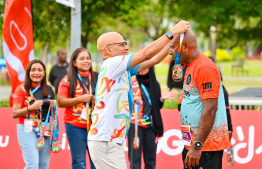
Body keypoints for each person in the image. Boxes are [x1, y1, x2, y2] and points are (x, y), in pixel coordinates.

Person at [87, 20, 190, 169]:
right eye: (121, 44)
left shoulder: (121, 68)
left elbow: (153, 59)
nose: (126, 47)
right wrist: (172, 31)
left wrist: (173, 41)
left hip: (111, 141)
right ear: (108, 50)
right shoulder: (112, 63)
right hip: (105, 141)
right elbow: (146, 53)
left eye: (125, 43)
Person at [168, 30, 231, 169]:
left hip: (204, 148)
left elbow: (211, 108)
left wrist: (197, 146)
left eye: (173, 47)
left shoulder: (204, 67)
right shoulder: (190, 66)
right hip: (192, 144)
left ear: (185, 47)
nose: (169, 51)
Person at [128, 67, 177, 169]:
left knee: (150, 160)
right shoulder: (131, 85)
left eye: (145, 65)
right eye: (139, 65)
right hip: (136, 126)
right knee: (134, 159)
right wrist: (132, 100)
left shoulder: (155, 84)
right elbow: (123, 104)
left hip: (150, 126)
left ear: (150, 67)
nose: (142, 68)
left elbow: (156, 107)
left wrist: (161, 99)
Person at [57, 48, 97, 169]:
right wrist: (80, 99)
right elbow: (61, 101)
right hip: (75, 126)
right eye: (82, 58)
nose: (86, 61)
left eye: (88, 58)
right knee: (79, 162)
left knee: (97, 162)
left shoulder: (98, 78)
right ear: (74, 62)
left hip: (96, 126)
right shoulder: (68, 79)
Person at [12, 59, 55, 169]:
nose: (36, 73)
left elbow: (53, 113)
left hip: (46, 128)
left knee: (43, 165)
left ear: (44, 73)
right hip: (27, 128)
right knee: (32, 165)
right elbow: (15, 113)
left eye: (40, 70)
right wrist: (30, 108)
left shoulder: (49, 89)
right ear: (28, 72)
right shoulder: (21, 89)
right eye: (33, 70)